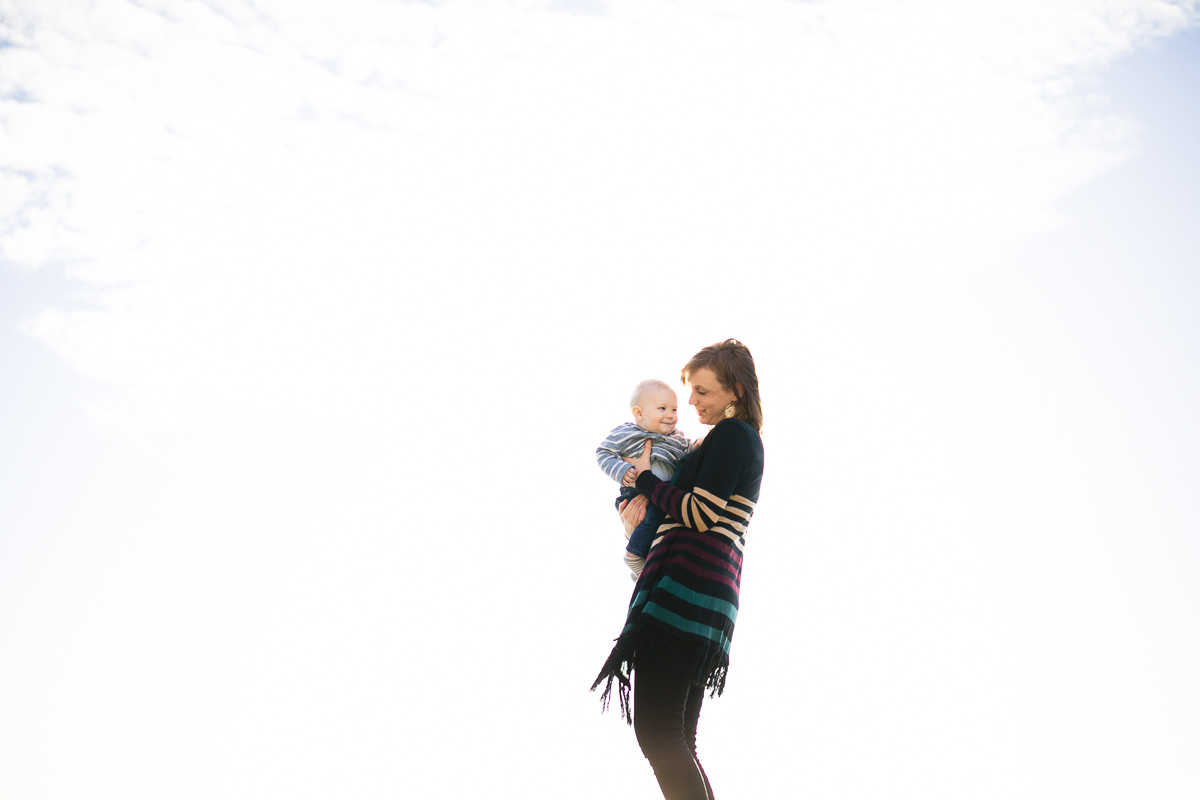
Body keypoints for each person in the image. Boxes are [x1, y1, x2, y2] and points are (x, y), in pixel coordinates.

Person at [592, 339, 765, 800]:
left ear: (734, 392)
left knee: (657, 732)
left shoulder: (735, 436)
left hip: (685, 594)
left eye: (703, 392)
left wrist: (646, 480)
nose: (691, 403)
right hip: (701, 596)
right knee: (676, 737)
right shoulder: (720, 441)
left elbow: (700, 512)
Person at [596, 379, 693, 579]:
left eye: (674, 410)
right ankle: (634, 555)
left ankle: (643, 568)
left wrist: (698, 445)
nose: (670, 415)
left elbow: (688, 453)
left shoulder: (677, 438)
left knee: (664, 526)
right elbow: (603, 452)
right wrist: (621, 470)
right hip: (635, 493)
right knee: (653, 515)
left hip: (661, 492)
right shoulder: (627, 433)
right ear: (639, 413)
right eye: (662, 408)